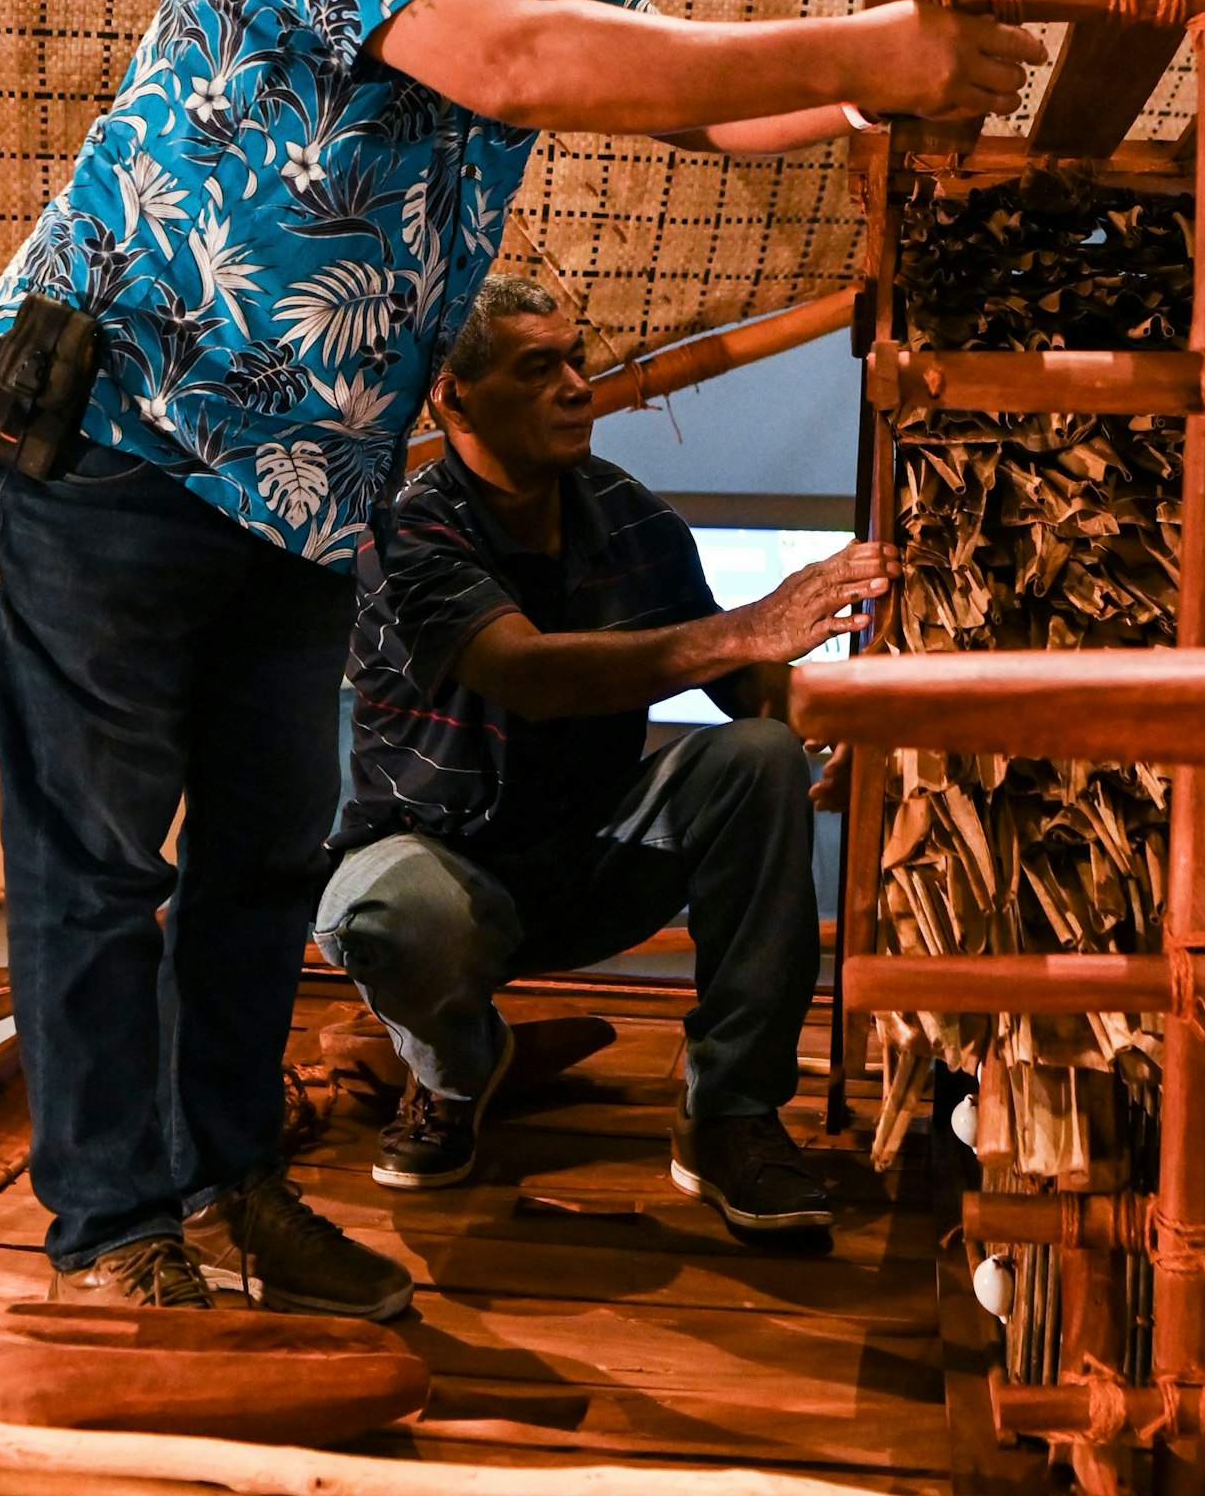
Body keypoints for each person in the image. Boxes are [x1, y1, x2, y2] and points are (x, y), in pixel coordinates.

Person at [0, 0, 1042, 1309]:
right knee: (102, 861)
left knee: (257, 855)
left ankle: (230, 1185)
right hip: (125, 436)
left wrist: (875, 101)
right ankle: (116, 1236)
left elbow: (694, 104)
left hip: (302, 489)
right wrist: (866, 47)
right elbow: (514, 65)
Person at [317, 275, 892, 1232]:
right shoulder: (408, 531)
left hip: (593, 856)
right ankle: (456, 1076)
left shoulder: (631, 518)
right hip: (444, 868)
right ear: (452, 397)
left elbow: (749, 693)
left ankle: (729, 1112)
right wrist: (756, 623)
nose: (580, 385)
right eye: (539, 368)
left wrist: (867, 722)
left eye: (577, 359)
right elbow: (528, 672)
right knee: (386, 914)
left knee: (757, 758)